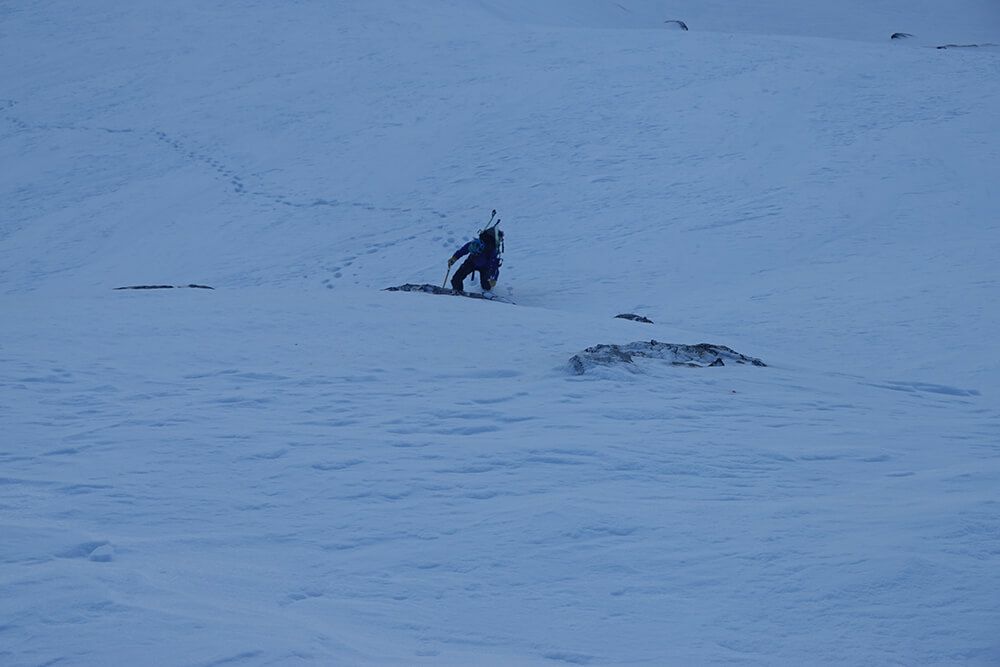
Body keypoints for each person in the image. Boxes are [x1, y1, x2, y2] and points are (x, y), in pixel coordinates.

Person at [448, 226, 503, 294]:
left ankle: (457, 290)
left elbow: (494, 265)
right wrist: (454, 258)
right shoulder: (479, 245)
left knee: (486, 286)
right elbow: (494, 265)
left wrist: (494, 279)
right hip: (473, 263)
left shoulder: (481, 245)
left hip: (480, 265)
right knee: (456, 279)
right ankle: (457, 291)